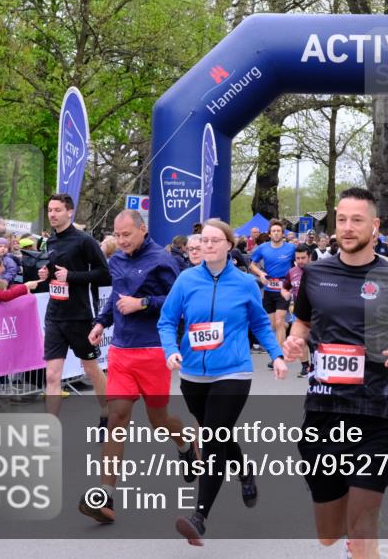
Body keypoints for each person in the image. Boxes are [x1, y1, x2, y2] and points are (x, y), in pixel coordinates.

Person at [282, 187, 388, 559]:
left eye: (357, 220)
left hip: (374, 414)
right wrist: (295, 342)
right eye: (342, 219)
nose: (347, 228)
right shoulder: (314, 273)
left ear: (375, 226)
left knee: (363, 531)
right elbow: (300, 323)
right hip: (322, 414)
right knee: (329, 534)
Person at [157, 218, 287, 546]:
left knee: (213, 438)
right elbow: (167, 320)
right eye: (204, 240)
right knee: (219, 430)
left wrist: (277, 354)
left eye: (216, 240)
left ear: (230, 245)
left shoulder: (244, 283)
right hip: (192, 374)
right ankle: (244, 471)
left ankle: (199, 516)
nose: (208, 245)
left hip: (233, 370)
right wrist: (171, 350)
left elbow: (259, 321)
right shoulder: (186, 280)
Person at [78, 210, 194, 524]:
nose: (121, 240)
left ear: (143, 230)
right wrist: (101, 322)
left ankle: (186, 445)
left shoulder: (163, 260)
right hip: (122, 350)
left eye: (127, 234)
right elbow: (116, 297)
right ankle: (105, 496)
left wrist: (142, 303)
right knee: (116, 417)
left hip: (154, 349)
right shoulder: (116, 260)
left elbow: (177, 302)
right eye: (117, 234)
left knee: (159, 420)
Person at [36, 193, 111, 419]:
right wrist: (46, 275)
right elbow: (55, 274)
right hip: (55, 315)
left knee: (90, 368)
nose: (52, 214)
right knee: (52, 376)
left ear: (70, 212)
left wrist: (72, 276)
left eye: (57, 210)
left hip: (80, 315)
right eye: (50, 210)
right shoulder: (50, 240)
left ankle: (108, 412)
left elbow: (104, 274)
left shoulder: (84, 240)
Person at [249, 219, 296, 367]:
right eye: (274, 231)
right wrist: (261, 274)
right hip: (269, 289)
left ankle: (278, 356)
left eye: (279, 231)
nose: (276, 233)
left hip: (283, 288)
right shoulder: (263, 248)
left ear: (283, 234)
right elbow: (252, 265)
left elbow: (297, 265)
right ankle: (286, 326)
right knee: (273, 325)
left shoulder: (291, 248)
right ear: (269, 234)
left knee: (278, 321)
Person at [282, 244, 312, 377]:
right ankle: (305, 367)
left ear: (309, 257)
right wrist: (286, 294)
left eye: (303, 258)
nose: (300, 261)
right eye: (298, 258)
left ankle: (317, 365)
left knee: (316, 341)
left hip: (317, 311)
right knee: (300, 340)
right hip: (299, 312)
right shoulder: (292, 272)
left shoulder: (319, 270)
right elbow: (284, 287)